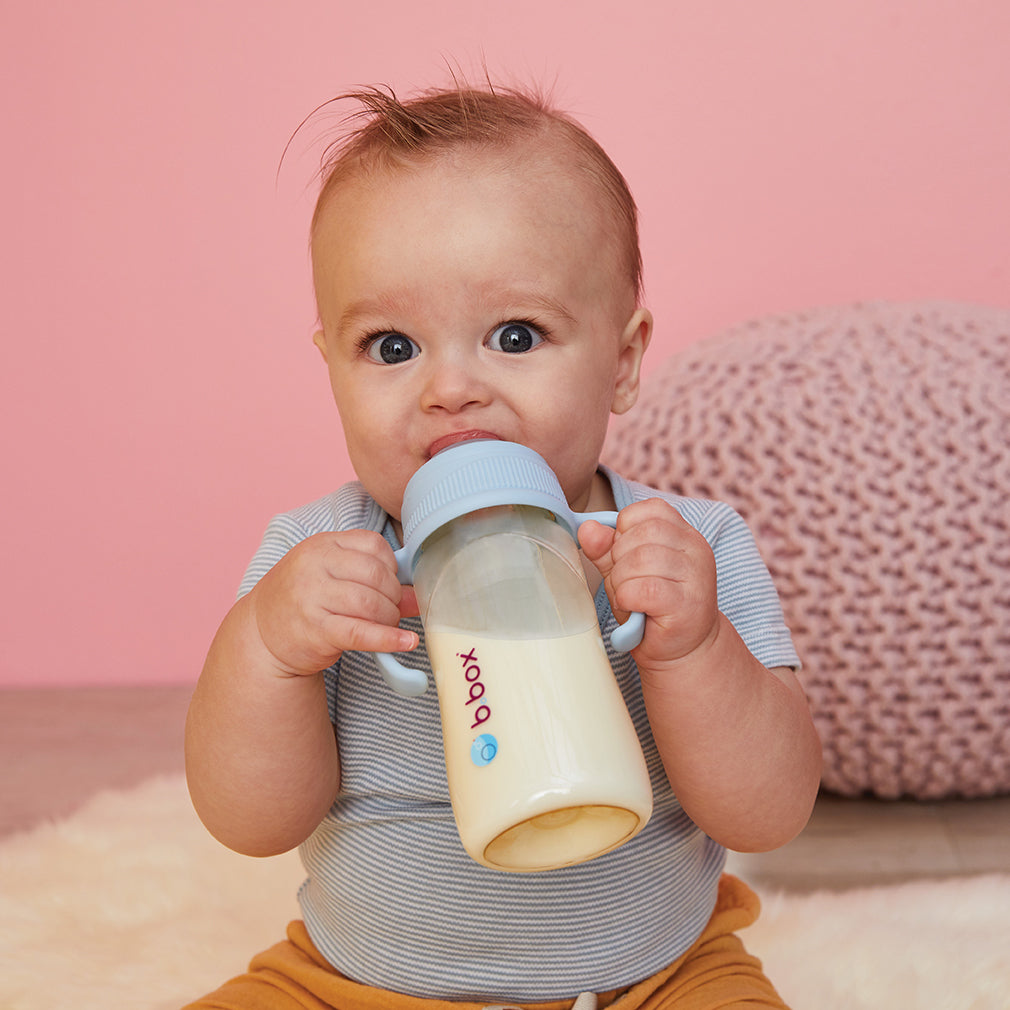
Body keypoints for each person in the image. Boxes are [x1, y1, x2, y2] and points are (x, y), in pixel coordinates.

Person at [183, 81, 822, 1010]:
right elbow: (250, 822)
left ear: (623, 360)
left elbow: (769, 813)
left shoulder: (685, 551)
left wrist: (695, 647)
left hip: (654, 978)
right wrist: (268, 650)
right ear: (331, 368)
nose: (449, 388)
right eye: (391, 347)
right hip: (356, 983)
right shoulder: (316, 558)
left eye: (514, 336)